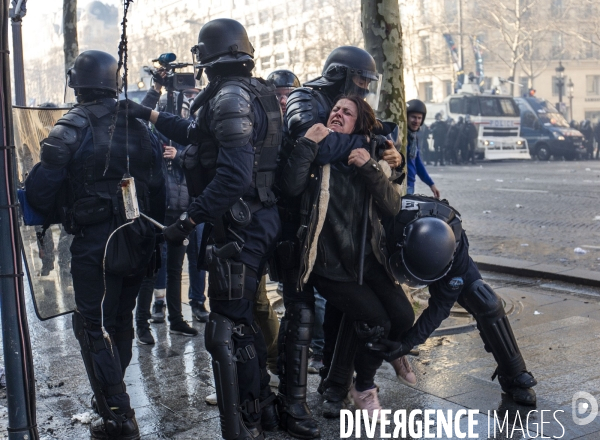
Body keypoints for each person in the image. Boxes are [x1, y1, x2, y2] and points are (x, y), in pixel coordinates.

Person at [120, 19, 281, 439]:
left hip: (241, 224)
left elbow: (232, 178)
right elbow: (196, 134)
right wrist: (148, 113)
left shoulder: (229, 97)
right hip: (249, 220)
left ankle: (245, 420)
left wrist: (188, 220)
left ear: (210, 58)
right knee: (239, 318)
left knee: (228, 327)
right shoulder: (242, 93)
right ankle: (262, 408)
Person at [25, 50, 165, 439]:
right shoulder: (139, 124)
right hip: (138, 239)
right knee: (119, 321)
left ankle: (119, 416)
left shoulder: (72, 124)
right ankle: (110, 397)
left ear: (78, 83)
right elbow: (158, 186)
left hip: (96, 245)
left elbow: (38, 193)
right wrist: (154, 243)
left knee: (91, 327)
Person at [274, 46, 402, 438]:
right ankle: (292, 403)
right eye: (360, 81)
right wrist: (368, 144)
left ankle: (336, 387)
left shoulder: (348, 108)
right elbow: (315, 146)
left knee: (345, 313)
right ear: (340, 75)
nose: (363, 90)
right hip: (300, 228)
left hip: (344, 234)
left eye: (367, 84)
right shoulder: (304, 96)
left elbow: (385, 146)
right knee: (300, 317)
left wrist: (381, 149)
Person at [291, 96, 414, 419]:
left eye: (347, 112)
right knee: (376, 321)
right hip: (329, 264)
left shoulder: (370, 153)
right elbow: (290, 185)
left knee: (402, 317)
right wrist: (307, 144)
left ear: (359, 122)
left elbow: (392, 206)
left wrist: (374, 166)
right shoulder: (322, 152)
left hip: (367, 257)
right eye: (335, 109)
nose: (337, 114)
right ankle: (364, 386)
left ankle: (392, 349)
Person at [363, 194, 538, 406]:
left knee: (486, 301)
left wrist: (407, 344)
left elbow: (440, 307)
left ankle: (515, 376)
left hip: (441, 257)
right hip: (392, 248)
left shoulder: (456, 251)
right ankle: (342, 382)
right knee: (364, 299)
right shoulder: (391, 224)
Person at [406, 99, 440, 198]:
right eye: (413, 117)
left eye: (419, 118)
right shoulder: (401, 137)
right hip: (399, 185)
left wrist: (431, 184)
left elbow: (417, 162)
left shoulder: (413, 138)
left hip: (410, 185)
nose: (416, 121)